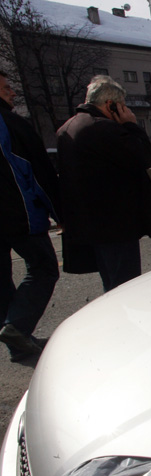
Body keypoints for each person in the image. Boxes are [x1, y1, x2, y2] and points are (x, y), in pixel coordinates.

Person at [57, 75, 151, 292]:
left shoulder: (67, 128)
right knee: (124, 285)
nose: (126, 110)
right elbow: (143, 157)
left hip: (89, 222)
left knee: (110, 281)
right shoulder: (104, 128)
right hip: (115, 223)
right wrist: (131, 125)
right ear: (111, 105)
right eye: (123, 106)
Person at [0, 70, 61, 361]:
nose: (12, 92)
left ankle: (18, 340)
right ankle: (17, 328)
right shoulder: (11, 125)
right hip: (18, 215)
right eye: (6, 87)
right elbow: (39, 173)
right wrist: (59, 211)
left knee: (1, 281)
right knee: (44, 268)